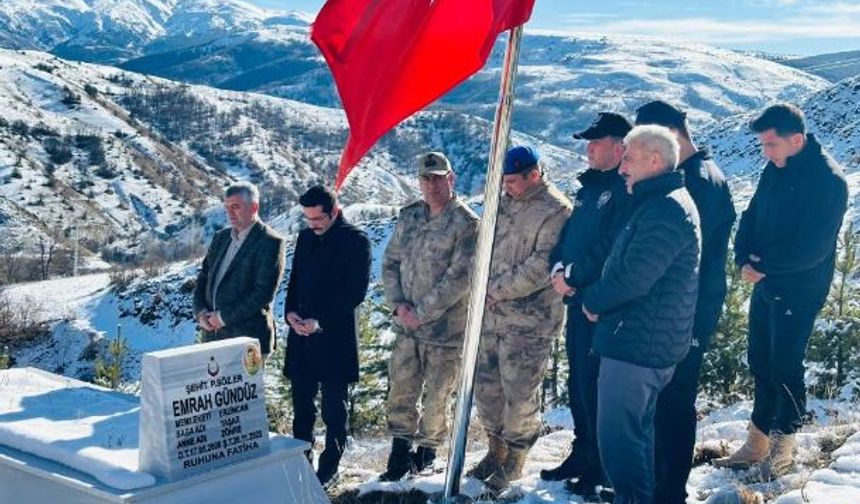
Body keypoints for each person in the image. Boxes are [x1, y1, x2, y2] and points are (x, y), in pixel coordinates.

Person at [715, 103, 847, 480]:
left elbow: (813, 248)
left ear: (797, 140)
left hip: (799, 288)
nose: (765, 152)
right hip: (766, 280)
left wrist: (763, 265)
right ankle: (756, 443)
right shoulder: (774, 167)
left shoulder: (828, 180)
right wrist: (743, 257)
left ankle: (782, 451)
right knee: (760, 359)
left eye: (770, 144)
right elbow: (751, 216)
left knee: (785, 365)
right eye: (762, 144)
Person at [581, 125, 701, 504]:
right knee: (635, 435)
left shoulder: (666, 210)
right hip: (641, 339)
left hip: (637, 345)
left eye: (628, 159)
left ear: (654, 160)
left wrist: (592, 301)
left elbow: (634, 278)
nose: (622, 168)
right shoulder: (660, 203)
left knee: (620, 440)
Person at [634, 100, 736, 504]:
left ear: (670, 135)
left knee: (674, 399)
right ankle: (663, 483)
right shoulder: (703, 173)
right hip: (689, 304)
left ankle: (670, 489)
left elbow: (681, 253)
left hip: (688, 308)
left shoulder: (696, 181)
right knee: (668, 397)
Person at [540, 112, 634, 499]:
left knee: (597, 385)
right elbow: (569, 238)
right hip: (575, 300)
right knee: (579, 382)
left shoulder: (624, 189)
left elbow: (612, 246)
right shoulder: (589, 188)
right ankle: (583, 452)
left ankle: (601, 464)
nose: (588, 149)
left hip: (600, 303)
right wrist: (558, 268)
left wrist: (574, 275)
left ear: (619, 147)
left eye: (596, 142)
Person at [468, 145, 572, 495]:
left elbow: (542, 265)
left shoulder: (555, 210)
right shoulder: (504, 203)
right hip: (491, 315)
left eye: (512, 181)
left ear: (534, 175)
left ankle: (516, 456)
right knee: (487, 388)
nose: (506, 187)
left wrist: (495, 289)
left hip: (529, 321)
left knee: (519, 392)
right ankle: (495, 448)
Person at [377, 152, 479, 481]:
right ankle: (398, 456)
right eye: (426, 179)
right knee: (401, 391)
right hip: (407, 327)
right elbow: (390, 263)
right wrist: (398, 305)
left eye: (438, 178)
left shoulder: (466, 224)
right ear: (419, 182)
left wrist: (420, 313)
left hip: (444, 331)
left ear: (451, 179)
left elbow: (458, 279)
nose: (432, 185)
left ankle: (427, 456)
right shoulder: (409, 217)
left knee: (438, 397)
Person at [282, 185, 371, 488]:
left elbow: (355, 293)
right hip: (302, 337)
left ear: (334, 212)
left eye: (318, 219)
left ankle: (330, 469)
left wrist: (319, 322)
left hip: (334, 337)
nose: (313, 225)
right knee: (302, 409)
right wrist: (290, 313)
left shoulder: (355, 241)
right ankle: (301, 465)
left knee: (334, 411)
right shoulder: (306, 237)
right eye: (307, 219)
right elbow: (295, 281)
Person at [192, 181, 285, 357]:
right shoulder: (220, 238)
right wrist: (200, 312)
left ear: (254, 207)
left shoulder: (271, 242)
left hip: (247, 342)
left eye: (235, 206)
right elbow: (203, 278)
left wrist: (222, 318)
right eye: (227, 207)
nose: (230, 213)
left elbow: (262, 294)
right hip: (212, 339)